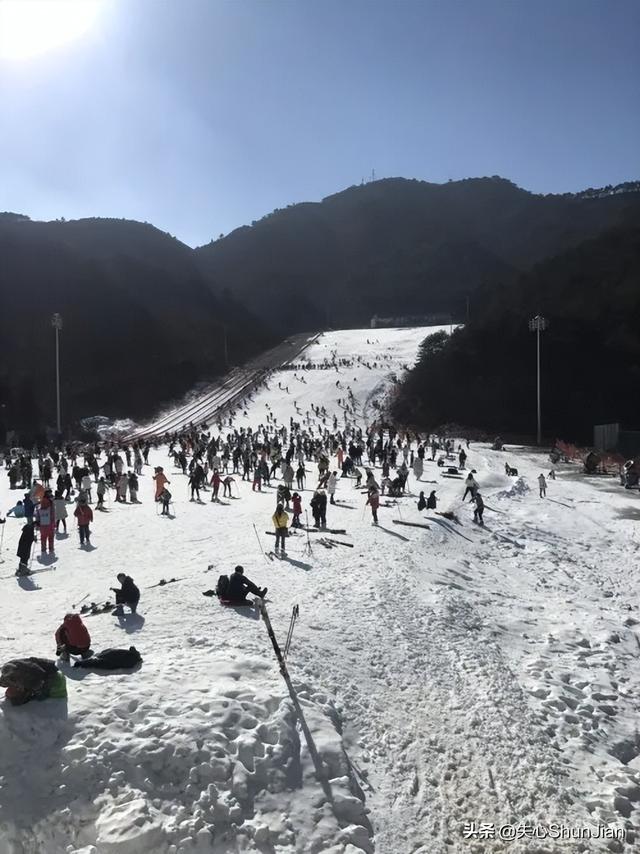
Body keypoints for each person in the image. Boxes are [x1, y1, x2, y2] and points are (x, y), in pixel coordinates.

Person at [0, 657, 65, 706]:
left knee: (41, 696)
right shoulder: (9, 668)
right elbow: (3, 681)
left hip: (52, 672)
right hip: (37, 670)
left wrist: (33, 693)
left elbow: (41, 676)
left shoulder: (30, 677)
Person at [36, 489, 56, 555]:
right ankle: (51, 548)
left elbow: (38, 513)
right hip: (50, 522)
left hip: (42, 522)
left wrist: (37, 521)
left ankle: (43, 549)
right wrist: (54, 522)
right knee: (51, 536)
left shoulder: (41, 502)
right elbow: (53, 513)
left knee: (43, 537)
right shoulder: (50, 502)